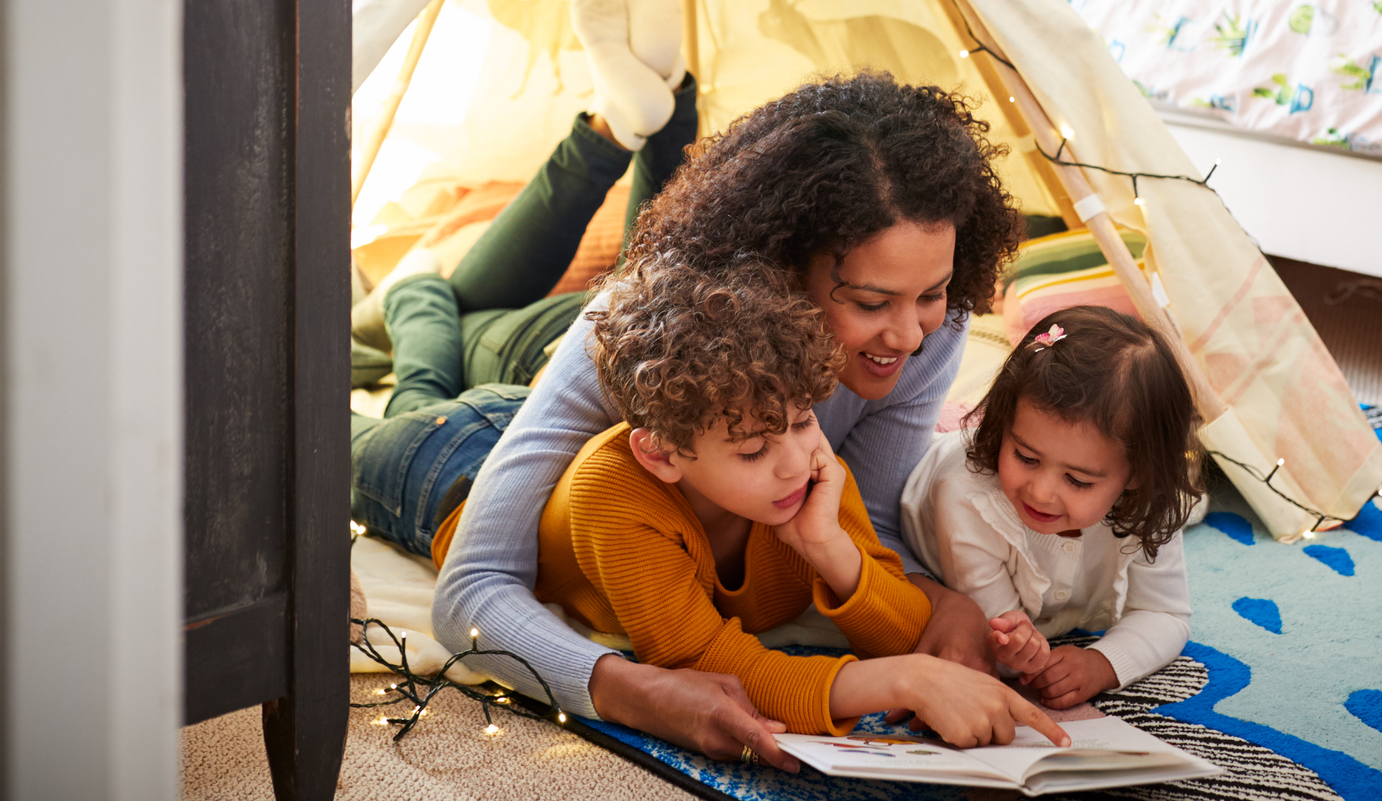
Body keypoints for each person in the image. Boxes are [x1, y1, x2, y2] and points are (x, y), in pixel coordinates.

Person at [431, 70, 1027, 771]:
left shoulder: (929, 327)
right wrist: (632, 689)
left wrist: (939, 600)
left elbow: (861, 520)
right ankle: (424, 298)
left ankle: (658, 104)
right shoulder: (620, 330)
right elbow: (471, 588)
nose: (911, 335)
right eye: (870, 302)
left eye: (931, 292)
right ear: (775, 268)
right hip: (464, 441)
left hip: (665, 463)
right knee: (429, 355)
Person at [427, 257, 1068, 749]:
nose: (795, 460)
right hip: (452, 462)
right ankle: (419, 292)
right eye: (753, 450)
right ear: (662, 454)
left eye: (801, 421)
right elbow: (701, 661)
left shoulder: (811, 473)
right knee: (380, 414)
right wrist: (902, 682)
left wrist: (829, 548)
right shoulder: (619, 492)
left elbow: (906, 630)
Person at [349, 0, 698, 558]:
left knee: (661, 266)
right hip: (562, 347)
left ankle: (650, 109)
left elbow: (422, 302)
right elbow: (418, 295)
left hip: (582, 336)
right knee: (429, 293)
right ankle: (620, 121)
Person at [900, 306, 1203, 710]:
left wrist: (1102, 663)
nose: (1041, 492)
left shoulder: (1152, 501)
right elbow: (994, 640)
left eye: (1077, 480)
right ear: (1004, 425)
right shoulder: (965, 498)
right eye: (1025, 456)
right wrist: (1015, 647)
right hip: (928, 473)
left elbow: (1166, 614)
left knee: (1188, 502)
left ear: (1138, 474)